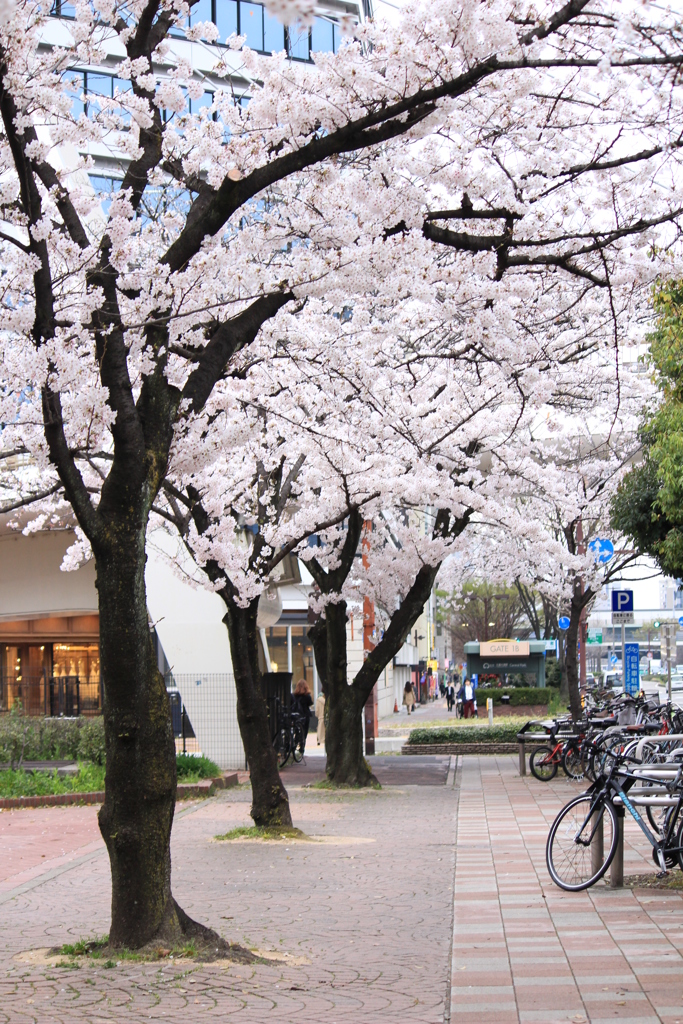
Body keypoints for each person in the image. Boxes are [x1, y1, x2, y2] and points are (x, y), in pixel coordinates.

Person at [291, 679, 314, 747]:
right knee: (304, 731)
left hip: (297, 715)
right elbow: (310, 704)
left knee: (297, 730)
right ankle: (302, 746)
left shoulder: (294, 696)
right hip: (305, 715)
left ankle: (295, 743)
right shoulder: (307, 696)